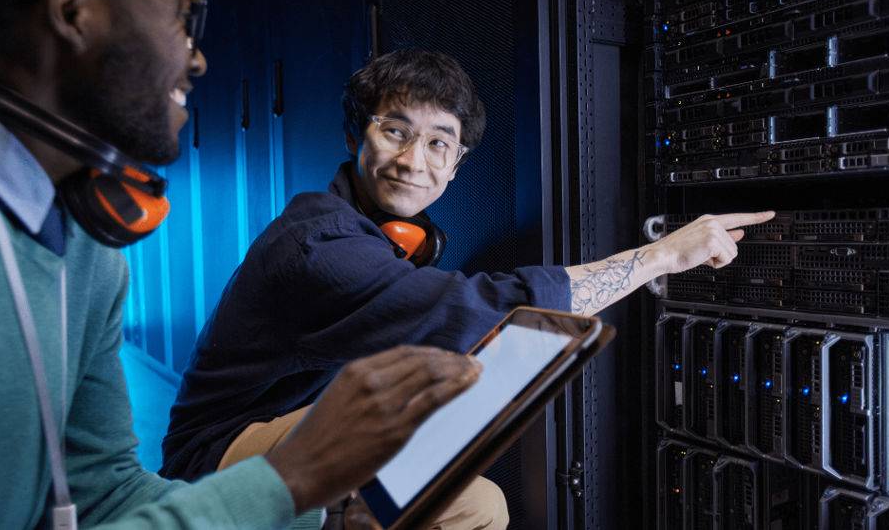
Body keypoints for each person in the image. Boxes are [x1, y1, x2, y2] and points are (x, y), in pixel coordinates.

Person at [162, 48, 775, 518]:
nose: (413, 161)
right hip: (213, 459)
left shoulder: (390, 239)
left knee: (470, 499)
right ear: (355, 138)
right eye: (395, 131)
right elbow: (470, 312)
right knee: (436, 490)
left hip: (301, 422)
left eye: (438, 143)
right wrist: (660, 256)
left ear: (456, 166)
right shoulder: (317, 241)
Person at [0, 0, 482, 529]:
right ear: (72, 7)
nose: (198, 57)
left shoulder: (87, 247)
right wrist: (292, 481)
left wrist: (323, 518)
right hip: (217, 447)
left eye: (440, 144)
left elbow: (104, 496)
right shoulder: (316, 233)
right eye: (184, 15)